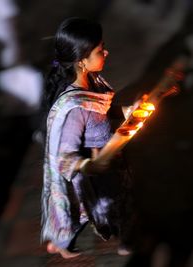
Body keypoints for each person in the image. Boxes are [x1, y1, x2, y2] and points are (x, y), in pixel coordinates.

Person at [41, 17, 134, 259]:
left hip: (109, 160)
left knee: (104, 207)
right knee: (104, 206)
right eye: (100, 50)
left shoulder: (92, 82)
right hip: (97, 171)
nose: (106, 52)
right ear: (82, 61)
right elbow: (64, 156)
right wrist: (91, 164)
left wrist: (127, 111)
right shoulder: (74, 107)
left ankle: (63, 241)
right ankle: (121, 242)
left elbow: (103, 110)